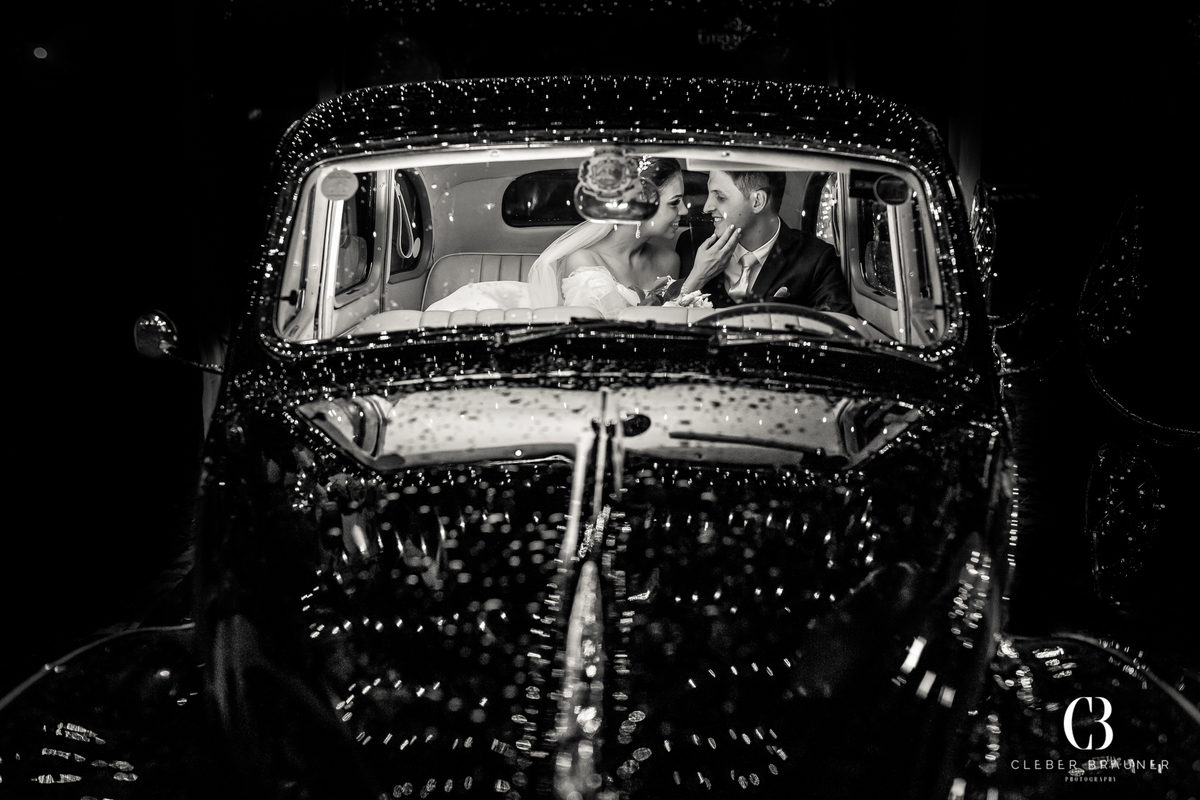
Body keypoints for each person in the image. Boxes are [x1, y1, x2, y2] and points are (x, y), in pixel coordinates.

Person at [426, 157, 710, 318]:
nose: (685, 211)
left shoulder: (669, 261)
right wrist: (696, 279)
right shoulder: (584, 262)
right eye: (675, 203)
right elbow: (606, 337)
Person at [673, 170, 854, 314]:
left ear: (757, 201)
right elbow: (667, 320)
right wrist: (698, 276)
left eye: (720, 197)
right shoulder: (692, 245)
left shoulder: (816, 259)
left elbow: (840, 330)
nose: (706, 207)